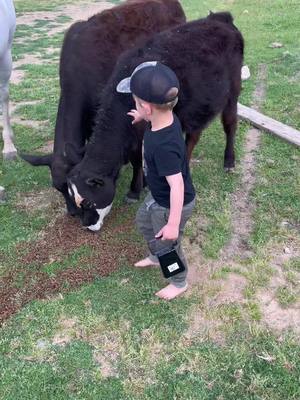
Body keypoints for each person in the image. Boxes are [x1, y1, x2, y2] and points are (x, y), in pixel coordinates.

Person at [117, 61, 195, 300]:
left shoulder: (164, 146)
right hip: (159, 196)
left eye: (136, 101)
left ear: (148, 107)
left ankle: (178, 281)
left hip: (171, 204)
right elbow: (155, 115)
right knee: (143, 222)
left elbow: (178, 185)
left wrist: (172, 223)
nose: (135, 104)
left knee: (167, 244)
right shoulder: (165, 119)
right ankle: (156, 256)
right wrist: (143, 115)